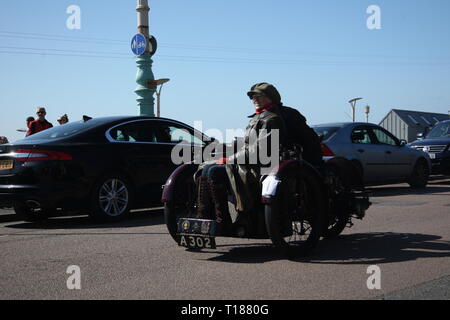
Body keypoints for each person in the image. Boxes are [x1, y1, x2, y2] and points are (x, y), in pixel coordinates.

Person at [196, 83, 288, 234]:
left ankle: (222, 220)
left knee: (214, 172)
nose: (254, 99)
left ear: (271, 98)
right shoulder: (259, 118)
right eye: (253, 97)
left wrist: (230, 159)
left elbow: (260, 150)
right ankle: (205, 216)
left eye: (259, 96)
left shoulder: (271, 119)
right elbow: (245, 144)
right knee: (206, 167)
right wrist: (220, 149)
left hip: (260, 167)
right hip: (249, 163)